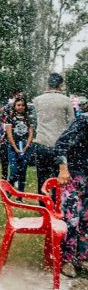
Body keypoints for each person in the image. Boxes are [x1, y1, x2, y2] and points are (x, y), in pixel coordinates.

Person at [55, 106, 88, 278]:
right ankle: (66, 260)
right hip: (74, 176)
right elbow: (61, 144)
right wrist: (63, 169)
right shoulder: (83, 120)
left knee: (85, 220)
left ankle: (81, 259)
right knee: (72, 219)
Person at [33, 73, 75, 199]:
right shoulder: (66, 100)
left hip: (41, 143)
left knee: (42, 177)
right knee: (59, 178)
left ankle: (44, 206)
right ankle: (57, 206)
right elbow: (72, 123)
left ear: (48, 84)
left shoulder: (37, 100)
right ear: (60, 85)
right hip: (59, 146)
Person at [5, 97, 34, 198]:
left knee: (23, 171)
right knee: (13, 171)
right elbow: (9, 134)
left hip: (26, 146)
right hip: (13, 146)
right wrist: (15, 147)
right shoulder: (10, 117)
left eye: (22, 105)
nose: (20, 107)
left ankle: (20, 195)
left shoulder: (28, 118)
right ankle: (8, 191)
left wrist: (27, 146)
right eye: (18, 105)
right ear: (15, 106)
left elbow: (31, 133)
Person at [0, 89, 24, 180]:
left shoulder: (23, 108)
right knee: (5, 158)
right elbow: (0, 119)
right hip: (6, 136)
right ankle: (4, 178)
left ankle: (16, 178)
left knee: (19, 159)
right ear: (14, 95)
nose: (20, 96)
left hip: (18, 137)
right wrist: (4, 131)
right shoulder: (7, 107)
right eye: (18, 94)